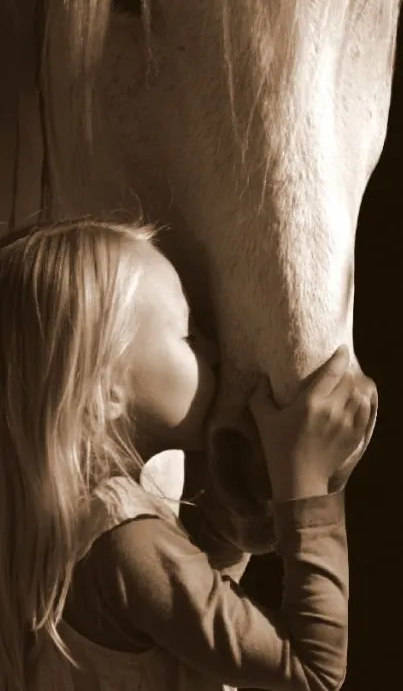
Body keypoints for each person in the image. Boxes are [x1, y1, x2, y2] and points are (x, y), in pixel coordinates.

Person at [0, 219, 377, 691]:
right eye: (188, 336)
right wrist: (306, 485)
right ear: (105, 393)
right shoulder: (127, 543)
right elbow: (313, 670)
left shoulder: (68, 525)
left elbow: (193, 623)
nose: (215, 353)